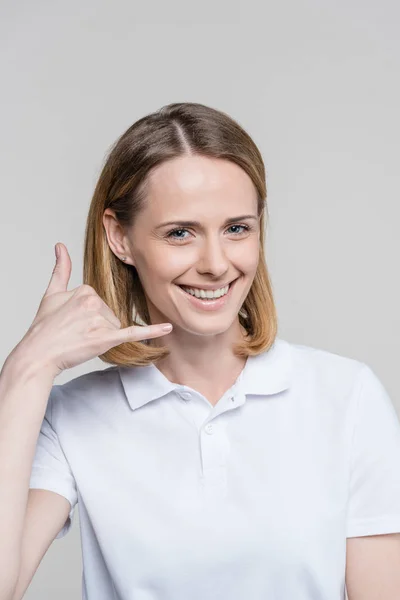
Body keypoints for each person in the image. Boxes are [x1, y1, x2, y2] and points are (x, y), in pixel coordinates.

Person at [1, 102, 400, 600]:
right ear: (120, 237)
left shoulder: (347, 397)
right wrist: (25, 370)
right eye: (180, 233)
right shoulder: (72, 416)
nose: (216, 263)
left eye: (237, 228)